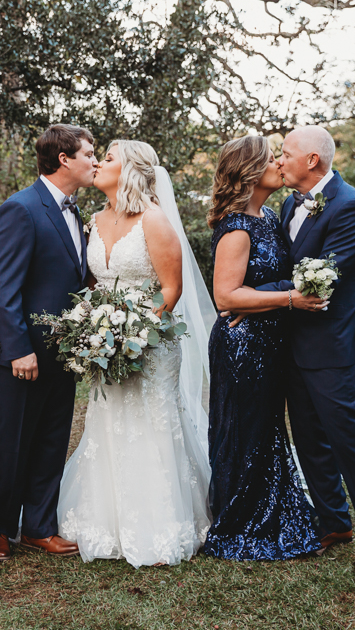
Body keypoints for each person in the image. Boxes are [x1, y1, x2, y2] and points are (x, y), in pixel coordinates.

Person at [57, 140, 214, 568]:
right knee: (109, 423)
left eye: (108, 158)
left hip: (151, 342)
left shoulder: (154, 219)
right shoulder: (94, 218)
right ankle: (107, 522)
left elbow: (171, 290)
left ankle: (160, 526)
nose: (99, 164)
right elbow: (94, 284)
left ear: (129, 170)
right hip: (104, 342)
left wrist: (133, 333)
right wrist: (95, 330)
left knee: (151, 425)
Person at [256, 126, 355, 572]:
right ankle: (334, 520)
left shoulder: (351, 207)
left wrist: (250, 292)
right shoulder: (287, 202)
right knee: (309, 439)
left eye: (285, 154)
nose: (279, 161)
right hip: (289, 347)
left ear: (312, 161)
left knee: (347, 439)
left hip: (328, 347)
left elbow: (321, 278)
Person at [203, 135, 326, 561]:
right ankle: (241, 519)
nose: (278, 163)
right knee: (245, 432)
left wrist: (280, 291)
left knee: (268, 430)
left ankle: (273, 510)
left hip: (269, 342)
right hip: (242, 345)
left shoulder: (271, 217)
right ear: (250, 172)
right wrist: (290, 296)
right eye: (270, 158)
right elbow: (227, 298)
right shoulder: (236, 227)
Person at [0, 124, 97, 562]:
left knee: (51, 439)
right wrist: (18, 348)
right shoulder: (20, 209)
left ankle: (39, 527)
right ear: (64, 159)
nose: (95, 161)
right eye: (89, 153)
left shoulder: (76, 212)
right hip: (20, 353)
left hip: (63, 351)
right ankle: (0, 527)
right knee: (9, 441)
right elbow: (2, 286)